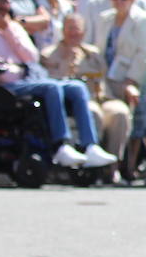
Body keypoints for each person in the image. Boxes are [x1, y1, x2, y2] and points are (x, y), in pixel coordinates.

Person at [0, 0, 117, 170]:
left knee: (76, 87)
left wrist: (7, 30)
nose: (3, 5)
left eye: (6, 1)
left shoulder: (12, 26)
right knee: (51, 88)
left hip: (28, 79)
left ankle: (89, 145)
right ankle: (60, 145)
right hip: (1, 86)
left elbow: (31, 56)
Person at [42, 12, 131, 177]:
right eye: (70, 29)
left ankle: (112, 167)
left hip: (102, 97)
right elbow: (54, 84)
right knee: (93, 112)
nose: (74, 33)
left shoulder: (93, 53)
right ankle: (90, 166)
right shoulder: (50, 54)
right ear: (63, 30)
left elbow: (103, 77)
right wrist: (68, 62)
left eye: (78, 29)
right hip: (76, 102)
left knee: (120, 113)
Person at [104, 0, 146, 181]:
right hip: (108, 77)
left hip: (133, 78)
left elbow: (145, 52)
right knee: (115, 121)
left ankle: (131, 166)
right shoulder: (104, 18)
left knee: (137, 124)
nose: (120, 1)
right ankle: (111, 166)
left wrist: (131, 80)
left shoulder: (141, 19)